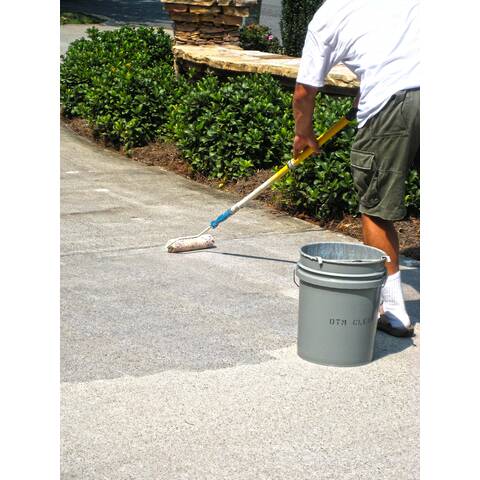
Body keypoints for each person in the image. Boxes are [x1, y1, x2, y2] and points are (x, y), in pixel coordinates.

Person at [293, 0, 419, 337]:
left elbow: (305, 90)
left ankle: (393, 313)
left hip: (391, 106)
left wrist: (304, 133)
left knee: (376, 209)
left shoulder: (330, 14)